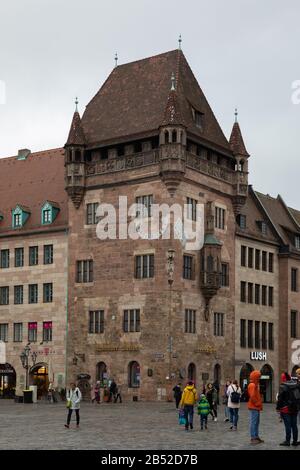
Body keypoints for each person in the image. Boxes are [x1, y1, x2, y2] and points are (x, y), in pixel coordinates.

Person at [277, 372, 299, 446]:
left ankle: (287, 441)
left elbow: (280, 399)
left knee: (288, 425)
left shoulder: (283, 386)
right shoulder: (295, 384)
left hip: (285, 409)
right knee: (294, 425)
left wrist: (278, 408)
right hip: (295, 408)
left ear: (283, 378)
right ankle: (295, 441)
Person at [247, 370, 264, 445]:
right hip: (254, 407)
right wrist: (257, 403)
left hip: (256, 407)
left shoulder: (255, 385)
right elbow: (252, 396)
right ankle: (253, 437)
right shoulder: (252, 385)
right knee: (253, 422)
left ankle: (256, 436)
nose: (259, 378)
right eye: (258, 377)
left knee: (256, 422)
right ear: (255, 377)